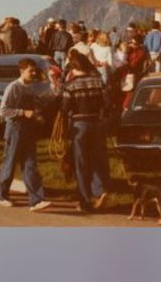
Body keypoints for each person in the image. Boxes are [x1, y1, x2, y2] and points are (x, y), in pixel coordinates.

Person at [0, 57, 53, 211]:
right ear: (22, 71)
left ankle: (36, 200)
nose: (33, 73)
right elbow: (2, 110)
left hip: (29, 130)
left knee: (30, 164)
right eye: (30, 71)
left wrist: (37, 116)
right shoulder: (13, 87)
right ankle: (2, 195)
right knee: (9, 163)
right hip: (15, 129)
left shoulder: (31, 88)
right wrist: (22, 112)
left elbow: (34, 107)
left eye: (35, 71)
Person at [62, 50, 112, 212]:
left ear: (73, 68)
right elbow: (107, 102)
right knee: (97, 159)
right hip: (97, 123)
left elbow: (64, 108)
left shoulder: (71, 85)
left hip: (79, 125)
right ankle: (101, 190)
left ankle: (84, 200)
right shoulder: (98, 81)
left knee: (81, 163)